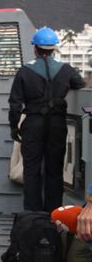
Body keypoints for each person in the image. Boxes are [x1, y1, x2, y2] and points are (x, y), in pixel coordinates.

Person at [9, 26, 84, 212]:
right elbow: (80, 84)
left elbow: (15, 103)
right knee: (54, 171)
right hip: (57, 124)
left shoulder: (25, 71)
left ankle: (33, 217)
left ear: (35, 48)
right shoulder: (66, 70)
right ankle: (53, 217)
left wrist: (14, 127)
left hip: (33, 124)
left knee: (32, 170)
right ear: (54, 48)